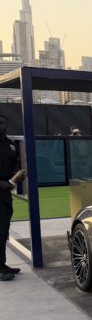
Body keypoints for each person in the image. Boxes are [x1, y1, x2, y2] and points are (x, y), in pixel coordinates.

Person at [0, 114, 22, 281]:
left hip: (5, 195)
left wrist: (16, 175)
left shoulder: (10, 145)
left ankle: (2, 264)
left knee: (4, 230)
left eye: (2, 122)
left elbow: (15, 164)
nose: (2, 126)